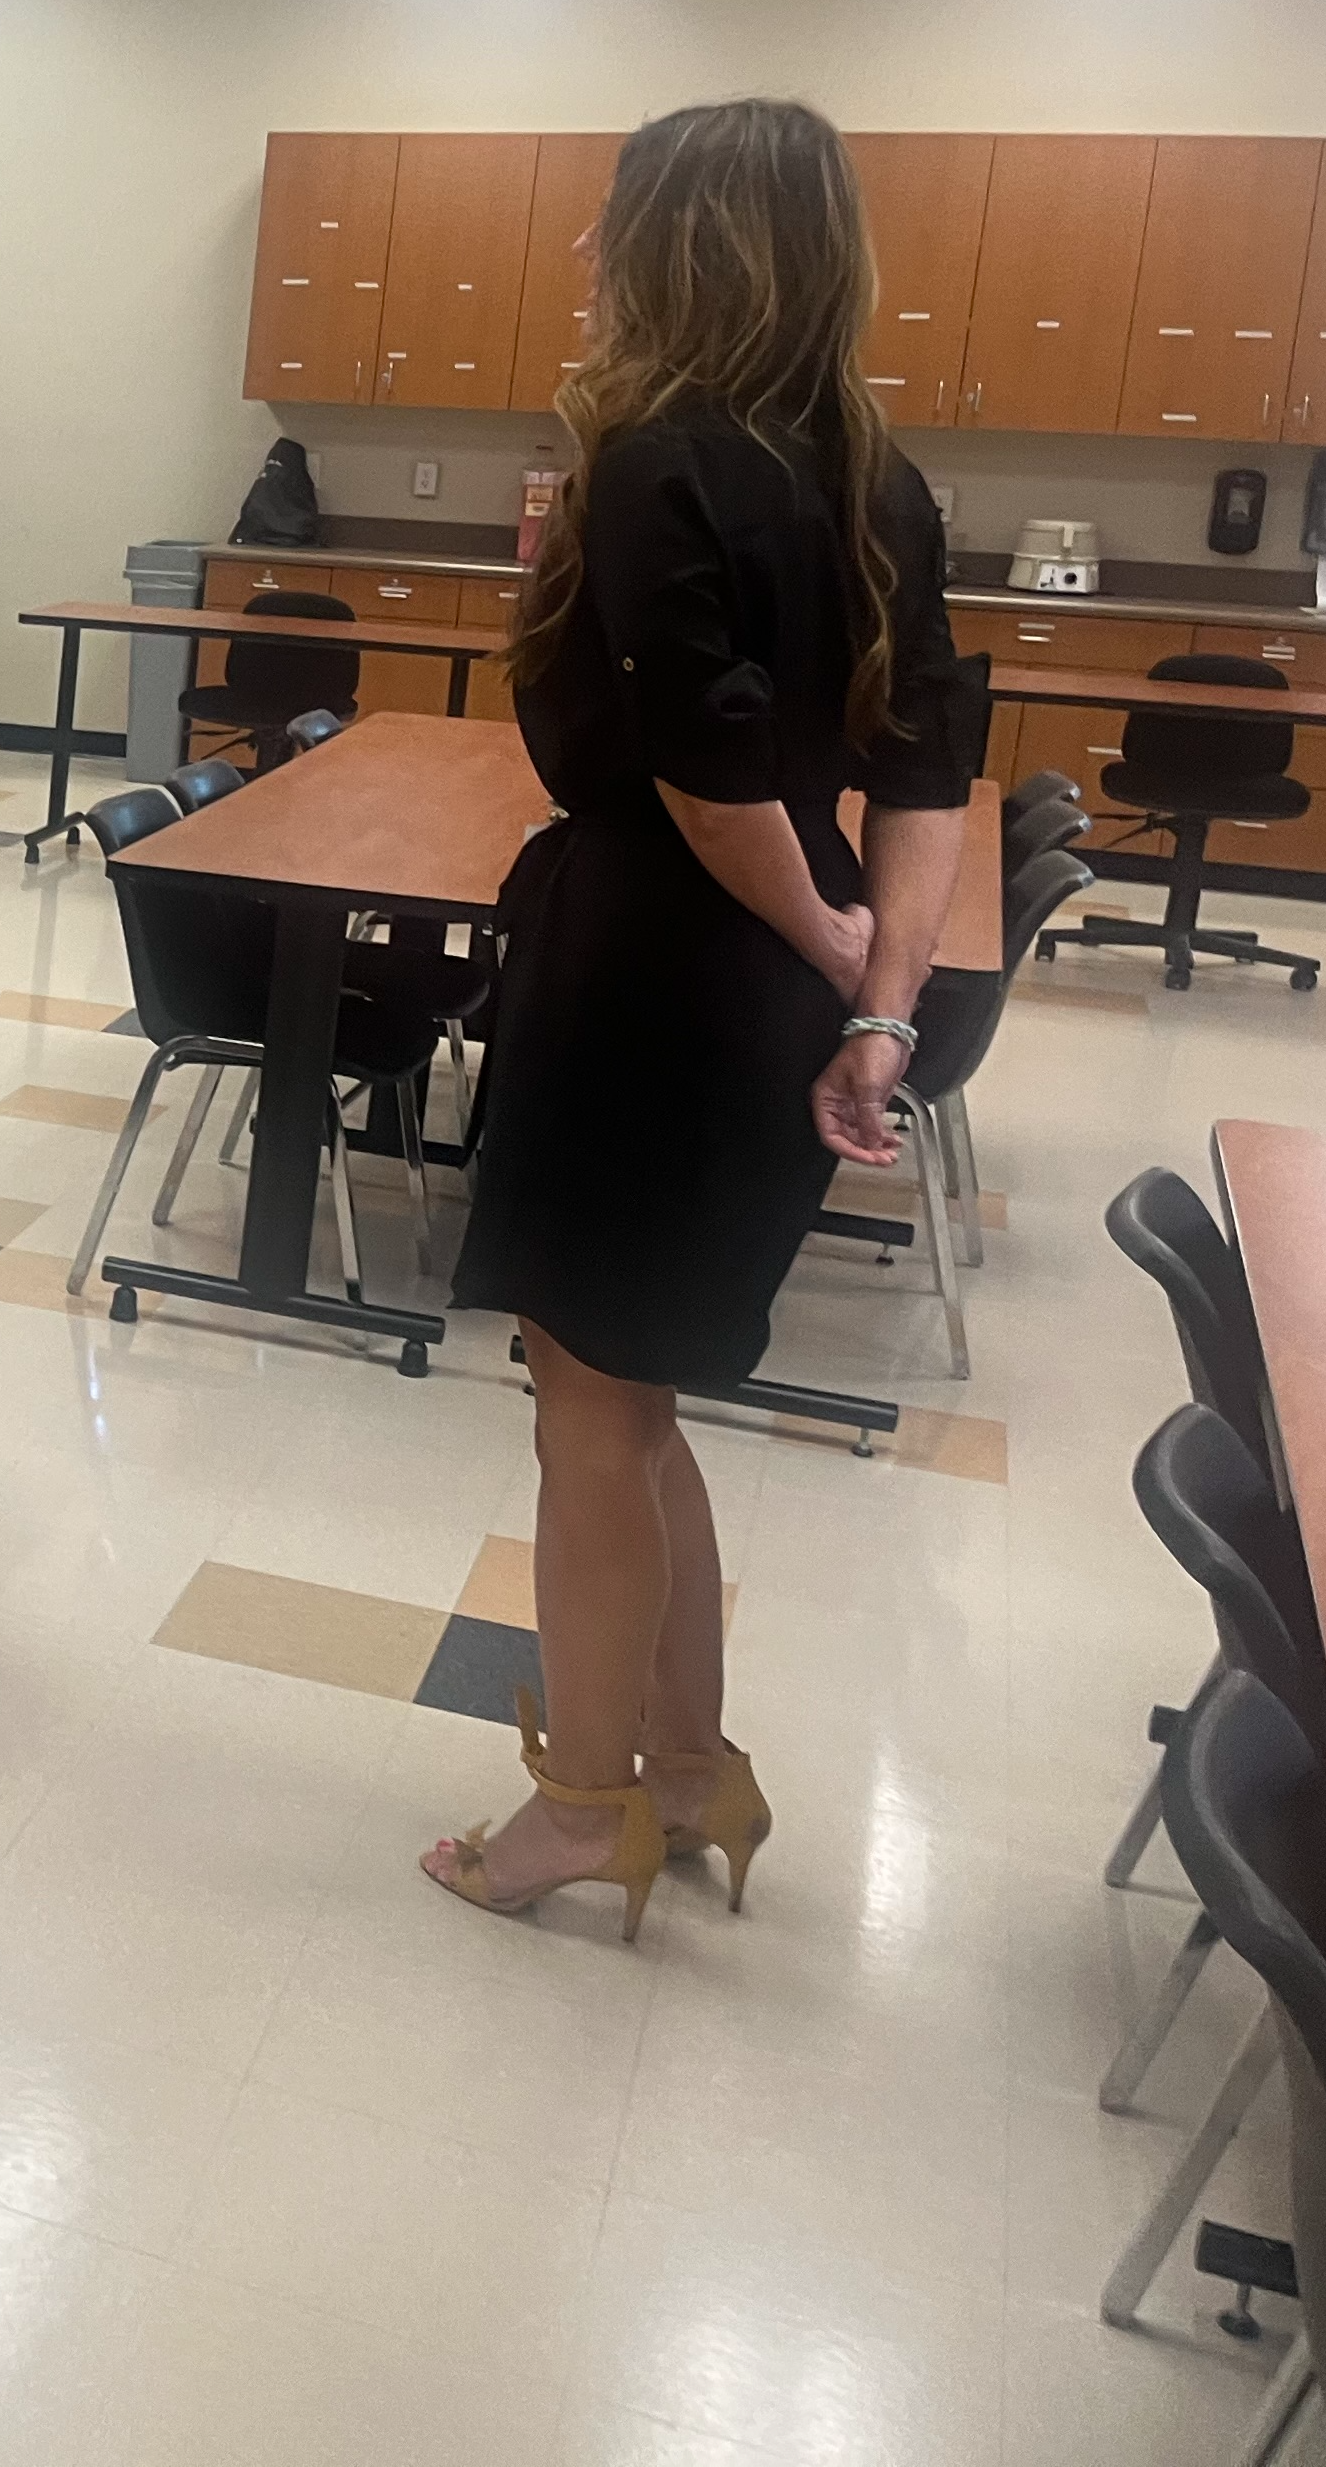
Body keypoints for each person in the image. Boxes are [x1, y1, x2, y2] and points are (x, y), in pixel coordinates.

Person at [430, 97, 971, 1939]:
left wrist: (825, 942)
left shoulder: (659, 451)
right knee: (631, 1400)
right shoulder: (876, 477)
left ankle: (582, 1806)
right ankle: (686, 1761)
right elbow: (922, 764)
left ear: (684, 244)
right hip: (751, 973)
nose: (584, 254)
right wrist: (873, 989)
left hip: (662, 967)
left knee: (584, 1418)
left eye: (611, 222)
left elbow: (694, 752)